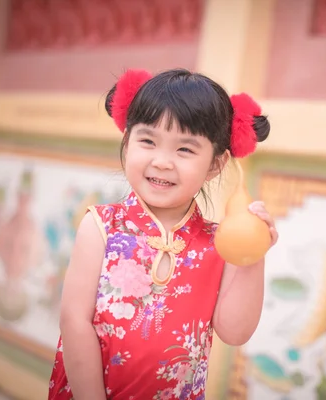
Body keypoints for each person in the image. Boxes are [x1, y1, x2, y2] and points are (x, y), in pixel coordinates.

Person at [48, 68, 278, 400]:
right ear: (127, 142)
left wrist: (252, 257)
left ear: (216, 164)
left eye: (185, 150)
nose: (163, 161)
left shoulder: (220, 243)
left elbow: (234, 331)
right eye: (148, 141)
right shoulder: (101, 226)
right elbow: (74, 321)